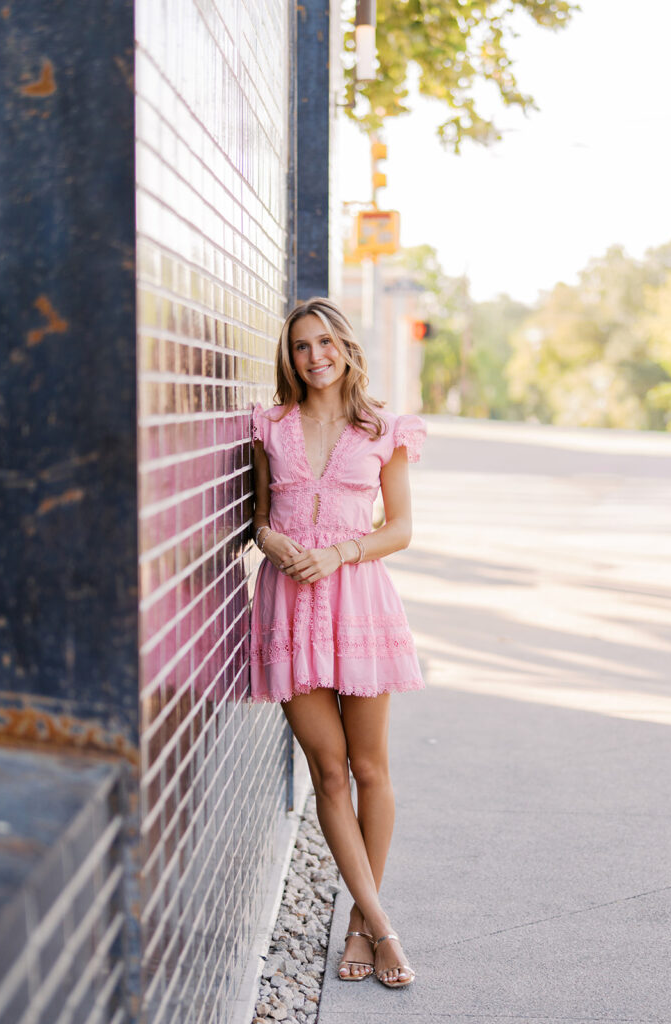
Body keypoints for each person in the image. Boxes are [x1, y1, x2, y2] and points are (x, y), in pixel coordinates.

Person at [250, 297, 426, 989]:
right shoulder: (269, 426)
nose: (315, 355)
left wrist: (342, 553)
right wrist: (274, 542)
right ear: (289, 357)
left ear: (346, 347)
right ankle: (384, 931)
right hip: (289, 606)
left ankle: (360, 922)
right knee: (328, 771)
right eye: (301, 346)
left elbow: (402, 527)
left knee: (371, 767)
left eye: (325, 342)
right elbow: (260, 518)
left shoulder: (385, 428)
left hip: (357, 602)